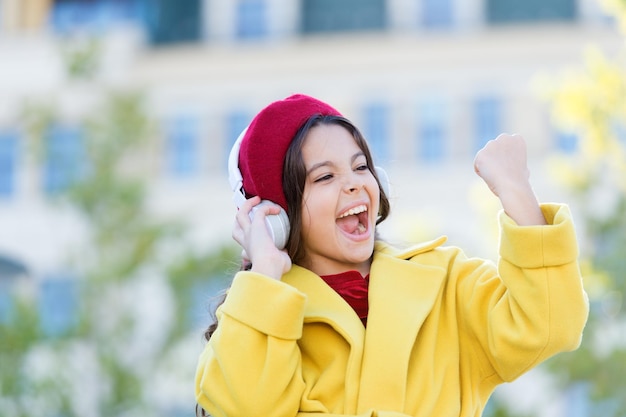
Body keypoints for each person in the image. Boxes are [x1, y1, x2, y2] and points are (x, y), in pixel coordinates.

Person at [194, 93, 588, 417]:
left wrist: (516, 192)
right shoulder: (261, 321)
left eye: (361, 166)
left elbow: (552, 324)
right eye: (325, 177)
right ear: (276, 215)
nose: (353, 184)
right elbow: (248, 407)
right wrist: (263, 273)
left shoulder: (444, 283)